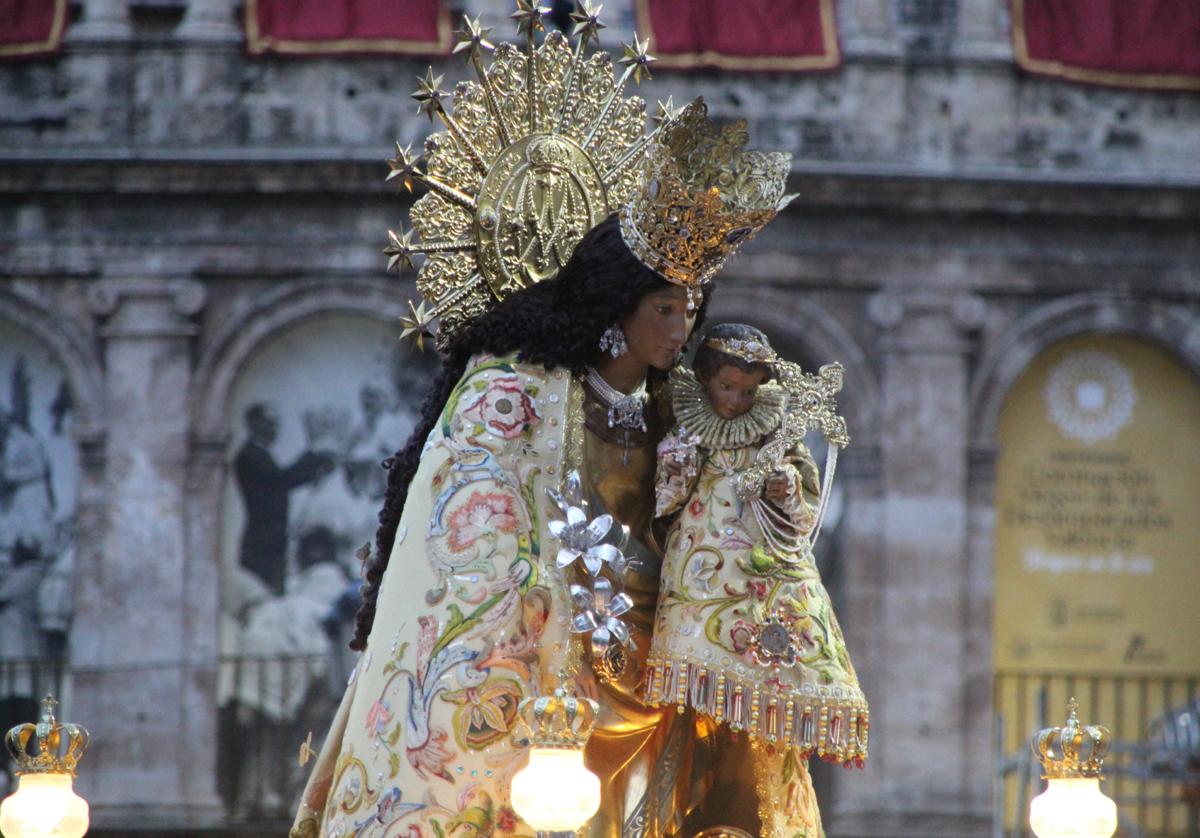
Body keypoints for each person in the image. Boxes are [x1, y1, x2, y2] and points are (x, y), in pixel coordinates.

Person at [291, 84, 828, 834]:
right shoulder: (515, 393)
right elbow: (468, 538)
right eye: (665, 308)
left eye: (692, 309)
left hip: (652, 671)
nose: (682, 329)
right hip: (539, 668)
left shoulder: (682, 411)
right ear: (618, 306)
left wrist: (772, 489)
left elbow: (736, 523)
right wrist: (556, 614)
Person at [649, 324, 869, 836]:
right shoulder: (684, 424)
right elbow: (659, 506)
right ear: (705, 380)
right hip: (701, 579)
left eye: (746, 391)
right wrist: (677, 468)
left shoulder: (775, 434)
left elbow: (803, 515)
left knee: (765, 714)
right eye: (727, 387)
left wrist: (785, 486)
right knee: (700, 712)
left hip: (765, 579)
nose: (735, 401)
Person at [234, 402, 334, 596]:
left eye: (276, 423)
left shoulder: (259, 454)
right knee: (263, 598)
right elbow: (283, 481)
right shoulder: (250, 456)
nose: (275, 428)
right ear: (254, 424)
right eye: (270, 423)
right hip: (262, 544)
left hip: (270, 541)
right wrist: (313, 451)